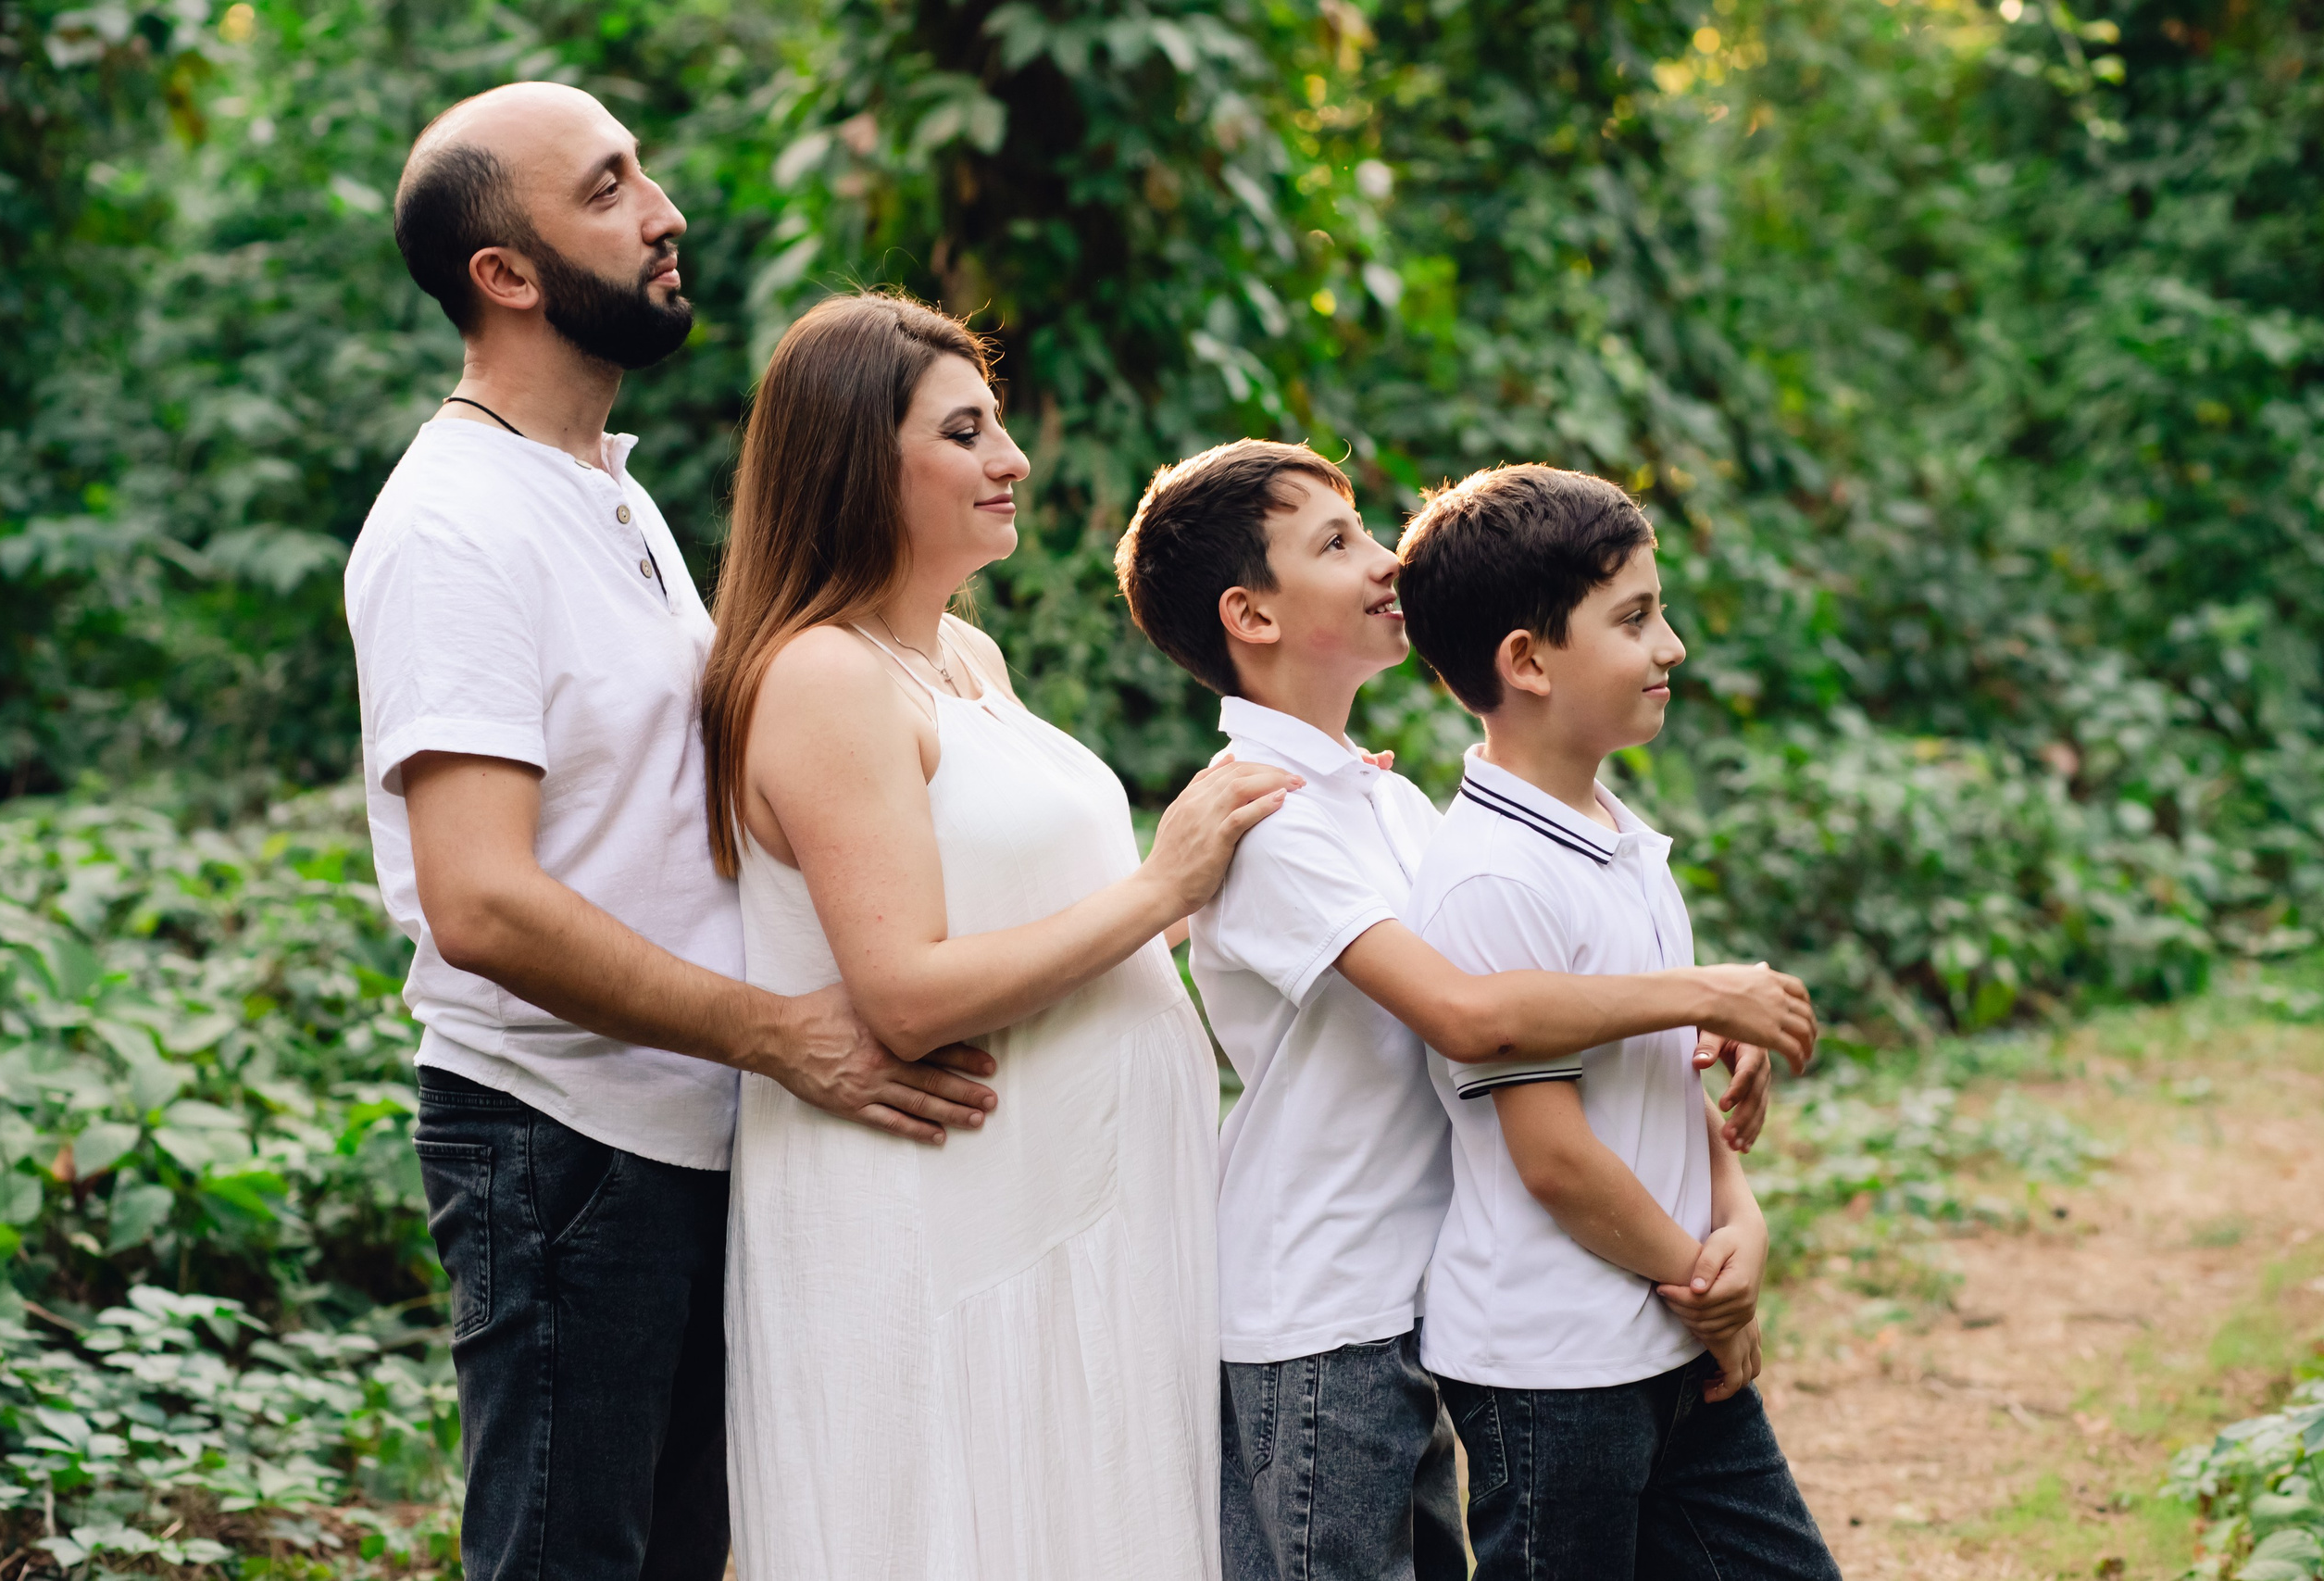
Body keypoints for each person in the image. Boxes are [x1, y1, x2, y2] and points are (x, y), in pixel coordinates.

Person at [348, 88, 997, 1581]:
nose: (666, 209)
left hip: (684, 1130)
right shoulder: (454, 524)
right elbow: (482, 901)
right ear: (505, 272)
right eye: (610, 188)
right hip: (561, 1143)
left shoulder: (607, 493)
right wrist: (777, 1030)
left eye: (646, 171)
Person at [1112, 440, 1819, 1581]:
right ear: (1251, 614)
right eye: (1336, 543)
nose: (1386, 561)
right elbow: (1469, 1014)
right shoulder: (1268, 816)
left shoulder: (1383, 801)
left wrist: (1679, 1028)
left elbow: (1538, 989)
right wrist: (1707, 991)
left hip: (1419, 1285)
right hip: (1322, 1306)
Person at [698, 291, 1293, 1581]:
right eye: (965, 431)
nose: (1010, 460)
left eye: (999, 425)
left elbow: (1043, 916)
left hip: (1085, 1206)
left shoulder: (965, 655)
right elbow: (907, 992)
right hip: (947, 1221)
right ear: (859, 463)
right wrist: (1159, 881)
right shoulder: (820, 677)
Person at [1394, 463, 1842, 1580]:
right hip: (1554, 1364)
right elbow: (1552, 1158)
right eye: (1634, 618)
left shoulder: (1612, 828)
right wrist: (1700, 1283)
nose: (1670, 644)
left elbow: (1658, 1076)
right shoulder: (1488, 879)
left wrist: (1738, 1220)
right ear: (1527, 662)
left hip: (1664, 1326)